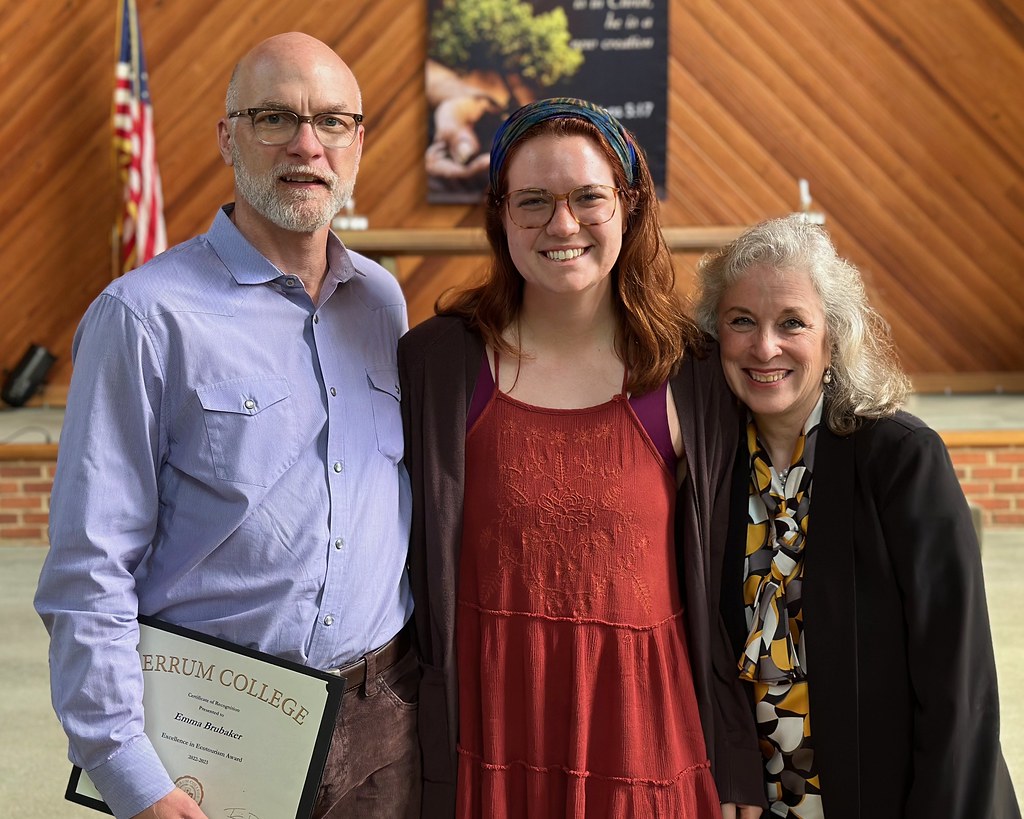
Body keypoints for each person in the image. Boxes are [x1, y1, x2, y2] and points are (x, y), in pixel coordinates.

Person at [34, 33, 419, 819]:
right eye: (275, 116)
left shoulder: (381, 302)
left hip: (384, 722)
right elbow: (89, 569)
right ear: (226, 135)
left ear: (358, 142)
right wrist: (128, 771)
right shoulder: (143, 317)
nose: (307, 145)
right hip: (216, 738)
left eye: (333, 122)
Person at [400, 97, 765, 818]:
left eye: (588, 198)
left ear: (628, 206)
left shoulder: (690, 376)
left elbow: (730, 586)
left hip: (642, 737)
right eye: (533, 200)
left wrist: (733, 756)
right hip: (491, 732)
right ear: (500, 214)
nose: (562, 225)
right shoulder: (438, 366)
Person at [692, 215, 1020, 819]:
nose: (765, 347)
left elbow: (960, 687)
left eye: (792, 322)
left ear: (833, 338)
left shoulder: (900, 458)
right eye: (742, 321)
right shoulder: (711, 467)